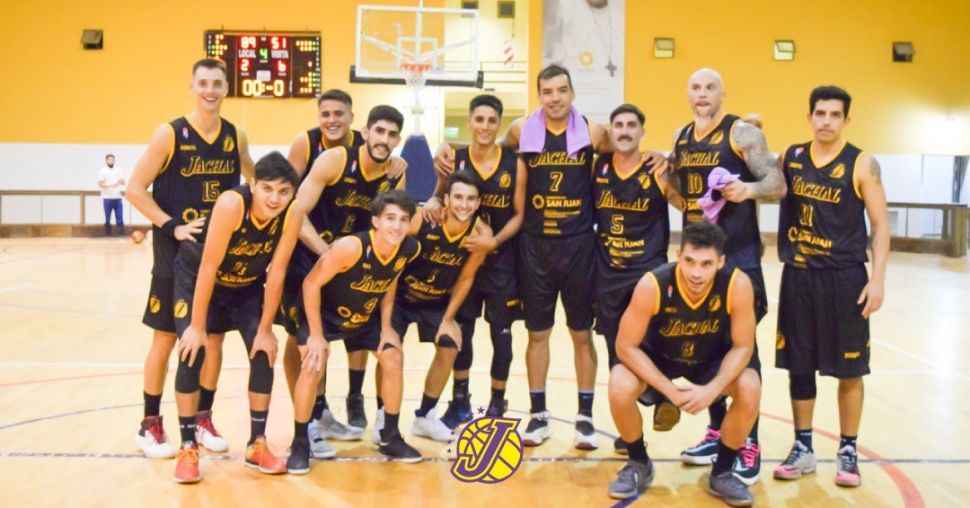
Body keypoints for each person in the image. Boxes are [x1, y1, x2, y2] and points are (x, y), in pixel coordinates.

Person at [659, 67, 785, 484]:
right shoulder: (681, 137)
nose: (702, 94)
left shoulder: (742, 133)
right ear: (687, 94)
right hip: (699, 262)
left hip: (739, 259)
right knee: (708, 345)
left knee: (744, 351)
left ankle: (749, 442)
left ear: (722, 94)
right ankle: (718, 432)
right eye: (696, 87)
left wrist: (748, 190)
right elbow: (683, 198)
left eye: (710, 87)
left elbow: (778, 183)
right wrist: (664, 179)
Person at [126, 58, 254, 459]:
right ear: (192, 87)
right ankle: (149, 424)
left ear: (226, 88)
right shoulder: (170, 134)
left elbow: (256, 181)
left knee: (213, 339)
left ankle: (202, 418)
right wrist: (172, 226)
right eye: (204, 83)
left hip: (218, 258)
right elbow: (134, 189)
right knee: (166, 339)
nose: (210, 90)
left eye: (217, 83)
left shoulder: (236, 136)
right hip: (174, 257)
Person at [773, 86, 889, 488]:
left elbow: (880, 226)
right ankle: (803, 446)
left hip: (845, 277)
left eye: (834, 115)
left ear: (846, 120)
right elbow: (759, 178)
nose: (826, 121)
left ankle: (848, 450)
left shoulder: (862, 163)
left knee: (849, 369)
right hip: (799, 275)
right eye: (820, 113)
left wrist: (878, 280)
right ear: (809, 117)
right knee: (799, 365)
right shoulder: (790, 157)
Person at [281, 105, 408, 459]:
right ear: (365, 132)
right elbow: (296, 212)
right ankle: (306, 424)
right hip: (309, 258)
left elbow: (396, 225)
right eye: (379, 131)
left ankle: (322, 412)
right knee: (302, 342)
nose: (384, 140)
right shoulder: (335, 161)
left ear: (398, 140)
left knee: (346, 336)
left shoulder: (395, 174)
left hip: (352, 265)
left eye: (392, 135)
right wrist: (326, 253)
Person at [169, 152, 302, 483]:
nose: (274, 199)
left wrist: (266, 329)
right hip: (198, 279)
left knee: (263, 352)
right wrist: (197, 326)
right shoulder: (231, 204)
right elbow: (208, 266)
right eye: (267, 188)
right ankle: (188, 447)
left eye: (283, 191)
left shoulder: (293, 213)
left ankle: (257, 444)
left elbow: (278, 271)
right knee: (191, 351)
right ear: (252, 184)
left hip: (245, 287)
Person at [607, 222, 761, 507]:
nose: (696, 273)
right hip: (660, 357)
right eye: (689, 261)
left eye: (706, 264)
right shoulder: (653, 285)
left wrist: (713, 389)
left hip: (710, 359)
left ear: (721, 262)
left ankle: (723, 471)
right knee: (619, 383)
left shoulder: (737, 285)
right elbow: (625, 347)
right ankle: (638, 462)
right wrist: (668, 389)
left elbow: (744, 347)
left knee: (750, 385)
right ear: (678, 255)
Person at [287, 190, 423, 474]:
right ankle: (300, 443)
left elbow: (390, 281)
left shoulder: (409, 248)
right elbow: (311, 284)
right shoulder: (351, 247)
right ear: (375, 221)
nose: (397, 226)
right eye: (390, 218)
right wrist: (316, 335)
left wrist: (386, 327)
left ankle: (390, 437)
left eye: (403, 220)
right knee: (312, 364)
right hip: (324, 315)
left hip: (363, 316)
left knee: (393, 357)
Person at [423, 94, 524, 425]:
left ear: (499, 124)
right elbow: (439, 195)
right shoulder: (454, 158)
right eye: (479, 119)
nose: (484, 126)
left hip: (501, 260)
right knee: (462, 330)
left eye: (491, 120)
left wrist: (494, 241)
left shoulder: (514, 163)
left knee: (501, 334)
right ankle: (460, 401)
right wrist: (432, 201)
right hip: (462, 259)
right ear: (469, 122)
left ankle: (497, 402)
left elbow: (519, 214)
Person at [390, 170, 491, 442]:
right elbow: (392, 262)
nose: (463, 205)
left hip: (435, 301)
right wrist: (386, 319)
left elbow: (466, 278)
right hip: (400, 298)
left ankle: (424, 417)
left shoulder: (479, 234)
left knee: (450, 345)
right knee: (390, 351)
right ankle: (384, 420)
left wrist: (448, 319)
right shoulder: (424, 219)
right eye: (458, 197)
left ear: (478, 203)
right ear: (446, 199)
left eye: (470, 199)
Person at [98, 154, 125, 236]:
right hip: (107, 198)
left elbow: (123, 181)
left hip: (117, 197)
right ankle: (107, 234)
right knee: (107, 217)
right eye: (109, 159)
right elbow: (100, 184)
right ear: (106, 161)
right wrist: (112, 185)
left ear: (114, 160)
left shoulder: (118, 170)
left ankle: (120, 233)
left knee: (119, 216)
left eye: (112, 159)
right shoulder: (102, 171)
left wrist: (120, 182)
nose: (111, 161)